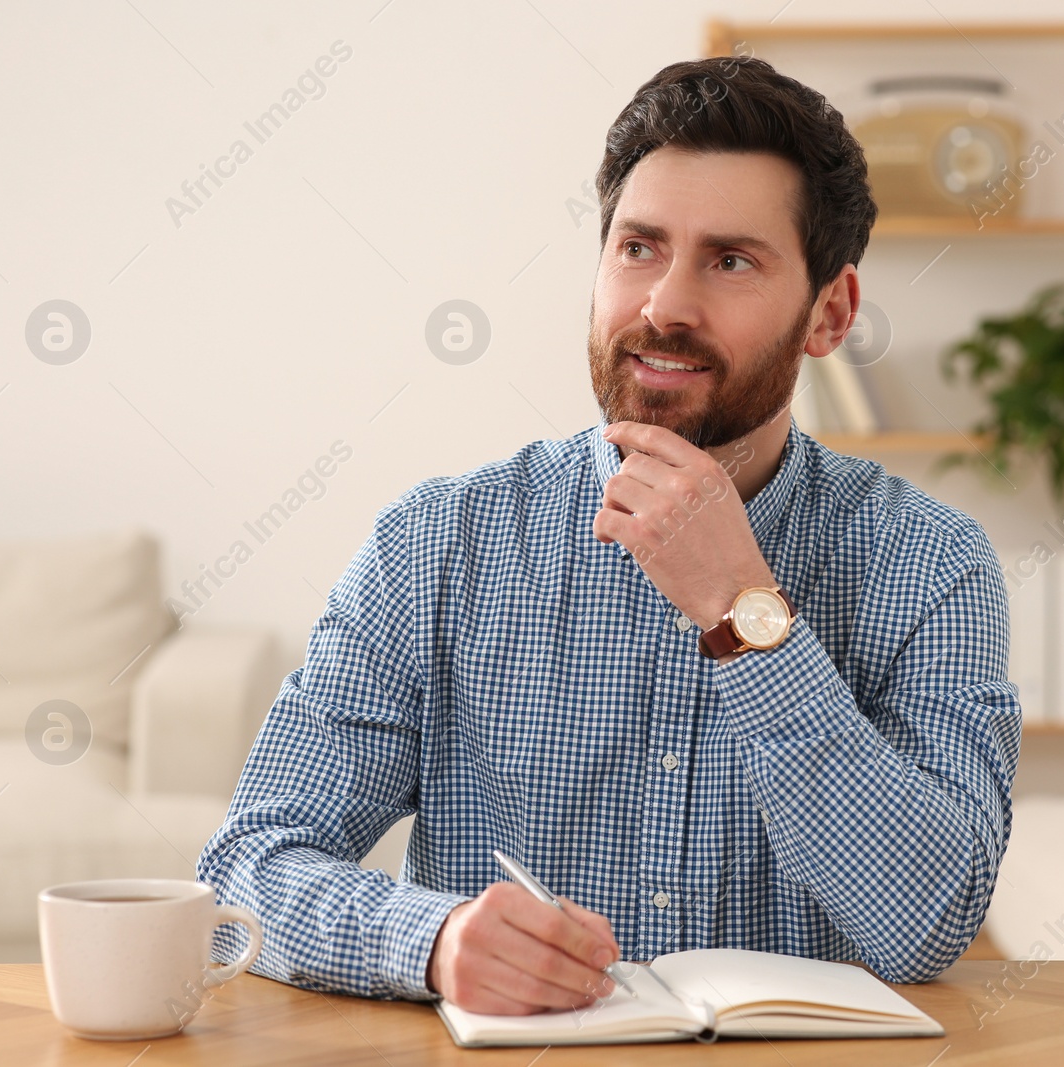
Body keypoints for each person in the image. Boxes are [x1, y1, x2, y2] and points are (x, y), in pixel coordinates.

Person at [198, 53, 1021, 1016]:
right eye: (638, 248)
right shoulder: (436, 546)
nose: (665, 304)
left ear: (829, 314)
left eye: (731, 260)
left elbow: (924, 921)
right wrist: (432, 941)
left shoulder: (934, 564)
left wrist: (742, 613)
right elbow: (245, 871)